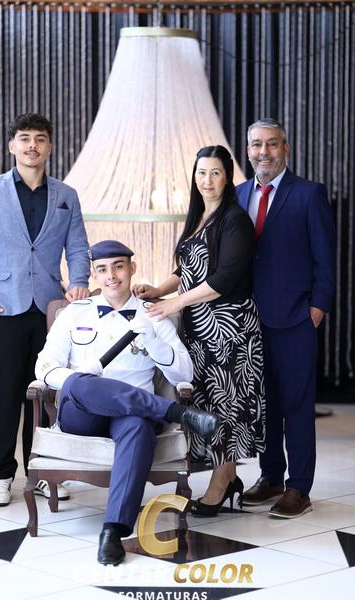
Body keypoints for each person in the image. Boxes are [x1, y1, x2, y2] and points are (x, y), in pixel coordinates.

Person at [35, 239, 219, 565]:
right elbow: (45, 367)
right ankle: (175, 412)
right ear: (94, 274)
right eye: (103, 269)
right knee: (78, 382)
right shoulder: (74, 313)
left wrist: (152, 341)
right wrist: (79, 380)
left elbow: (184, 374)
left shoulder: (155, 316)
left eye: (118, 267)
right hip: (82, 414)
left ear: (132, 268)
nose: (111, 276)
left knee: (138, 426)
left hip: (132, 415)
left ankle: (112, 530)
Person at [0, 113, 90, 507]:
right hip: (2, 310)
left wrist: (79, 282)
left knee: (47, 397)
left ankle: (43, 471)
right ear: (12, 145)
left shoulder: (66, 195)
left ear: (49, 146)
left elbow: (78, 247)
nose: (32, 145)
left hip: (51, 312)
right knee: (3, 396)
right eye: (24, 138)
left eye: (39, 138)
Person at [133, 145, 265, 517]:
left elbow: (224, 279)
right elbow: (187, 267)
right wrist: (158, 289)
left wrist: (174, 303)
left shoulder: (235, 220)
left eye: (216, 173)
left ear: (228, 178)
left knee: (227, 406)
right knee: (208, 404)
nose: (207, 180)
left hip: (230, 330)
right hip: (201, 330)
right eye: (201, 173)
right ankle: (227, 478)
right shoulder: (199, 215)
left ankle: (221, 484)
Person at [236, 118, 336, 518]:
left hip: (295, 318)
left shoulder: (309, 194)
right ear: (248, 150)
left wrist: (317, 308)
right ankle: (272, 477)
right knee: (266, 405)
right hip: (247, 321)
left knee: (296, 405)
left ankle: (299, 487)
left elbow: (325, 258)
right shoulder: (237, 194)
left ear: (286, 149)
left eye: (272, 144)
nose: (264, 152)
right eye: (257, 144)